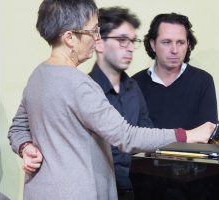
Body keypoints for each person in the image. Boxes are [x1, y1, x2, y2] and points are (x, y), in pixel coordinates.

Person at [7, 1, 215, 200]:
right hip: (78, 192)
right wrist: (186, 135)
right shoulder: (81, 85)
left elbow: (17, 128)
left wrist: (25, 147)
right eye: (93, 31)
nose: (97, 39)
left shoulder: (39, 74)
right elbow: (125, 136)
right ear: (70, 38)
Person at [88, 7, 151, 199]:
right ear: (99, 42)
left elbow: (146, 134)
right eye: (122, 40)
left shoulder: (134, 87)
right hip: (100, 191)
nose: (131, 47)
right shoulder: (86, 89)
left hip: (136, 188)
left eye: (133, 41)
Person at [132, 13, 218, 130]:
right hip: (146, 149)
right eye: (166, 42)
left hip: (192, 149)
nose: (174, 50)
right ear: (153, 44)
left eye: (180, 43)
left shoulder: (203, 81)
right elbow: (131, 136)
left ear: (188, 44)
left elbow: (208, 134)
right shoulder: (135, 84)